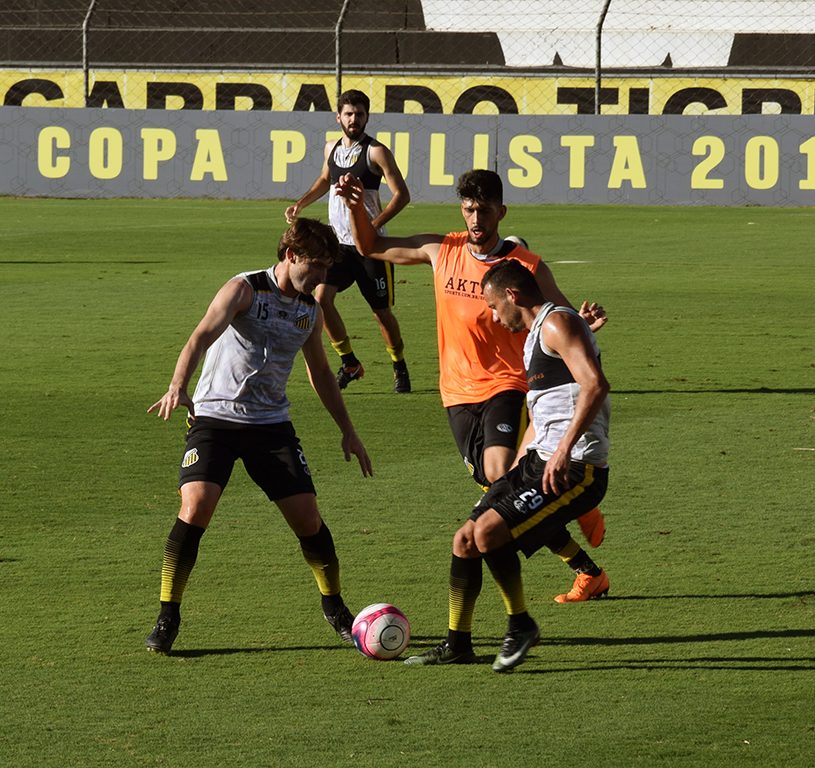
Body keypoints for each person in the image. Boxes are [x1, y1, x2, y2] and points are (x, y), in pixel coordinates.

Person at [338, 168, 610, 603]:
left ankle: (575, 505)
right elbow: (370, 246)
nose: (476, 219)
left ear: (501, 212)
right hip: (455, 392)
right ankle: (586, 565)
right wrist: (356, 208)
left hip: (507, 385)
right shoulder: (441, 250)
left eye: (484, 210)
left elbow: (557, 317)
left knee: (501, 474)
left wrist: (582, 324)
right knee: (493, 487)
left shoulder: (527, 266)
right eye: (468, 210)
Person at [144, 218, 373, 655]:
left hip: (270, 426)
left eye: (328, 267)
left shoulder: (310, 310)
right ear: (290, 255)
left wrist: (349, 430)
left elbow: (321, 373)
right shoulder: (244, 289)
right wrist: (177, 385)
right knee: (195, 508)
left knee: (308, 520)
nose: (322, 276)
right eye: (316, 265)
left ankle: (335, 607)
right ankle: (168, 615)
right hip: (215, 419)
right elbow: (200, 336)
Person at [405, 259, 611, 671]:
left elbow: (595, 385)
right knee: (465, 539)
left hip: (576, 465)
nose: (495, 317)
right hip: (538, 459)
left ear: (513, 295)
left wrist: (562, 450)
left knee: (488, 532)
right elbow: (541, 414)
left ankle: (521, 625)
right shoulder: (537, 335)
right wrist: (518, 467)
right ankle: (458, 644)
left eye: (495, 307)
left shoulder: (556, 323)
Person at [285, 89, 412, 393]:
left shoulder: (376, 151)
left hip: (370, 249)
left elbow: (402, 195)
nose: (354, 119)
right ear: (338, 117)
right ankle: (349, 363)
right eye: (349, 114)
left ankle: (399, 366)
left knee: (381, 313)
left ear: (367, 117)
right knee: (321, 300)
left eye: (360, 114)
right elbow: (324, 180)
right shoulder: (331, 148)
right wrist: (301, 203)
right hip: (337, 247)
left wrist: (372, 226)